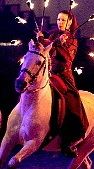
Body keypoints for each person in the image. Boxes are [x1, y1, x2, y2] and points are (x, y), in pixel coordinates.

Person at [37, 10, 87, 158]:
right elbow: (46, 48)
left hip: (64, 75)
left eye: (63, 20)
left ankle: (70, 139)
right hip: (50, 73)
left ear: (70, 23)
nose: (60, 22)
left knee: (72, 102)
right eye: (58, 19)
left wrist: (56, 43)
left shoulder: (72, 40)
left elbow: (66, 57)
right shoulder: (53, 36)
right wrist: (41, 40)